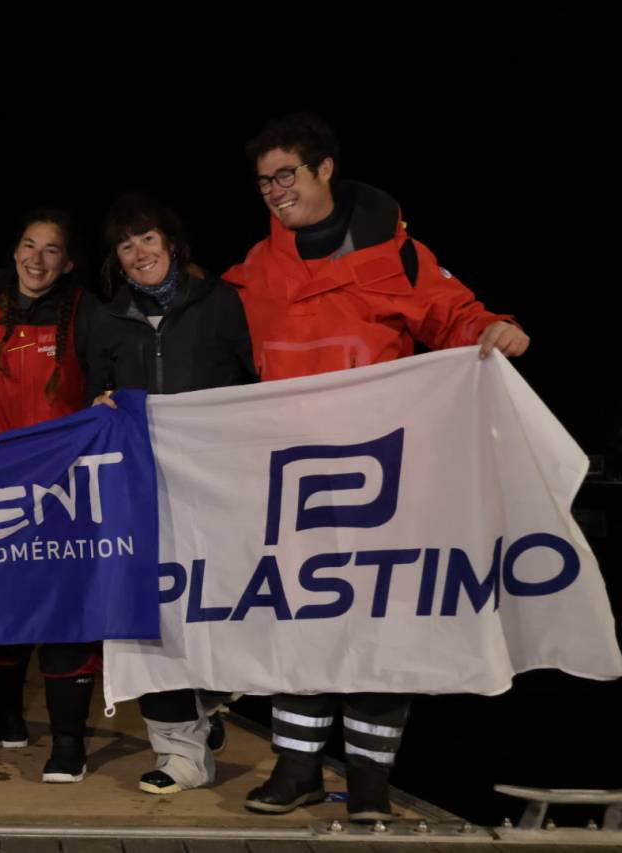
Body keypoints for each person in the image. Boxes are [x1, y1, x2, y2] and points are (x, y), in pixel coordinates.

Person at [223, 113, 529, 823]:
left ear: (325, 169)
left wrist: (494, 329)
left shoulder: (401, 258)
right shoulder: (256, 269)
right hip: (295, 482)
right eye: (264, 181)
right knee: (298, 618)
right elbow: (208, 343)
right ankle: (297, 768)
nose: (275, 191)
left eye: (286, 175)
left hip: (384, 478)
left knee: (380, 623)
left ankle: (369, 780)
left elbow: (456, 316)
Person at [82, 193, 257, 795]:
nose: (138, 253)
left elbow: (257, 380)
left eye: (148, 239)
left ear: (173, 245)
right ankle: (178, 752)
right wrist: (100, 403)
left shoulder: (221, 302)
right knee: (148, 614)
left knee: (227, 607)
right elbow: (95, 390)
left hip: (217, 486)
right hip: (141, 491)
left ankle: (211, 699)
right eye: (125, 245)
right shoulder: (106, 319)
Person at [0, 209, 99, 783]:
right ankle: (10, 712)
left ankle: (68, 742)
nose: (36, 259)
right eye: (28, 245)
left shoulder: (88, 311)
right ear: (14, 250)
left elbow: (116, 371)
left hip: (68, 491)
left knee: (67, 615)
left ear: (67, 263)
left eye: (51, 250)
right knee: (6, 613)